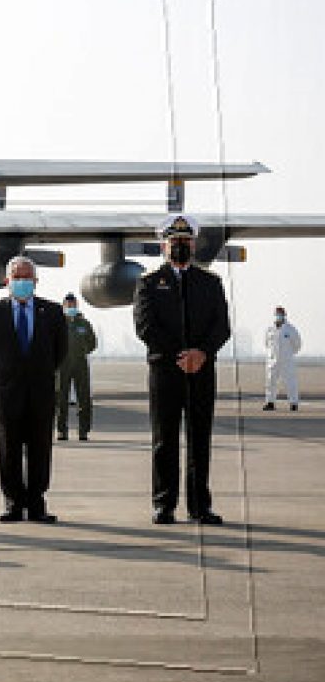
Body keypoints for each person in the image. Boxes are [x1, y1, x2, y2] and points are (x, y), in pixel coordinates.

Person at [133, 214, 231, 526]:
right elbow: (145, 327)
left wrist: (201, 353)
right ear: (164, 245)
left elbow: (221, 327)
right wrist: (180, 355)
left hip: (201, 371)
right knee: (165, 439)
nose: (180, 246)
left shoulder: (210, 283)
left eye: (185, 241)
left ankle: (200, 506)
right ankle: (164, 504)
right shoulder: (149, 283)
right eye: (174, 241)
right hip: (166, 372)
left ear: (194, 245)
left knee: (200, 439)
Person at [0, 255, 67, 523]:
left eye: (27, 277)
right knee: (8, 449)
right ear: (7, 281)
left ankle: (37, 503)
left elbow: (61, 352)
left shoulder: (52, 312)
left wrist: (40, 372)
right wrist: (5, 374)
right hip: (7, 393)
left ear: (36, 281)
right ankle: (13, 502)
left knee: (40, 449)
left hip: (41, 392)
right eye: (17, 277)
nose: (22, 282)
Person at [56, 293, 97, 441]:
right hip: (62, 364)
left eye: (73, 304)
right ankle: (62, 430)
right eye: (68, 305)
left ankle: (83, 430)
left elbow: (92, 343)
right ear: (63, 306)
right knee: (61, 398)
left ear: (76, 305)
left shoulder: (84, 324)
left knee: (84, 397)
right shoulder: (58, 324)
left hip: (80, 363)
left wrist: (82, 351)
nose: (71, 307)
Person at [263, 306, 301, 412]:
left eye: (281, 314)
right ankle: (270, 402)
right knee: (271, 381)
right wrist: (271, 355)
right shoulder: (269, 330)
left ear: (284, 315)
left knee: (290, 381)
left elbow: (297, 344)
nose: (279, 316)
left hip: (286, 360)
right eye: (277, 314)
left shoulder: (290, 329)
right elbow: (266, 343)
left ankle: (293, 403)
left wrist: (288, 354)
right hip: (273, 360)